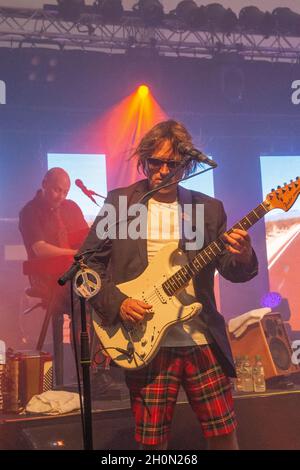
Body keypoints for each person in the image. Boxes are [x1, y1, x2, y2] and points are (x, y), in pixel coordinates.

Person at [79, 120, 258, 450]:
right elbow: (84, 269)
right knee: (152, 443)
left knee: (223, 434)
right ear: (144, 161)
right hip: (145, 342)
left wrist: (244, 255)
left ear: (186, 165)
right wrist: (117, 303)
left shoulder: (207, 209)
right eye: (154, 163)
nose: (162, 170)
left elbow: (232, 270)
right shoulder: (121, 203)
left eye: (171, 164)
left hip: (200, 337)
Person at [19, 167, 89, 385]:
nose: (61, 196)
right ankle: (86, 371)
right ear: (45, 184)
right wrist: (72, 254)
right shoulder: (30, 211)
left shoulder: (71, 208)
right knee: (82, 298)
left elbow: (85, 240)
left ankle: (100, 366)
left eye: (66, 192)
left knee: (101, 293)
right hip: (47, 277)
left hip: (73, 274)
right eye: (57, 190)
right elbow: (39, 248)